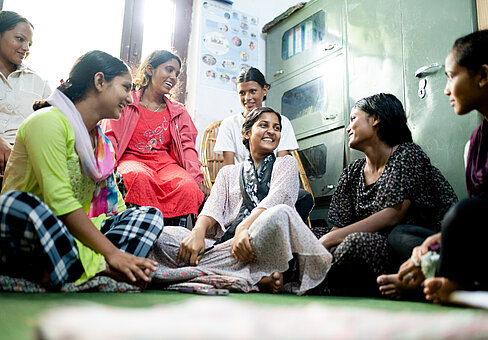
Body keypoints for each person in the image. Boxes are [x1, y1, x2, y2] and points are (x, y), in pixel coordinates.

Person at [0, 50, 163, 289]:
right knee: (15, 204)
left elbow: (115, 209)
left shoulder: (102, 144)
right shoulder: (47, 122)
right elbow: (59, 201)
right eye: (126, 87)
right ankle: (99, 268)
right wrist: (112, 254)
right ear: (99, 81)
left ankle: (67, 268)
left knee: (148, 216)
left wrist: (115, 247)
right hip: (39, 230)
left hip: (73, 238)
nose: (130, 99)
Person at [385, 30, 488, 304]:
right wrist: (438, 243)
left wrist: (449, 242)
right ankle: (439, 274)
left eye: (452, 77)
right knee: (403, 235)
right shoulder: (475, 145)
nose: (445, 89)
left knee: (465, 212)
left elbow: (487, 219)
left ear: (483, 76)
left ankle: (443, 281)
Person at [149, 107, 331, 294]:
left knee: (280, 213)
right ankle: (252, 275)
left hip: (257, 242)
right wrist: (197, 232)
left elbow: (279, 199)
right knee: (163, 235)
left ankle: (211, 271)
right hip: (226, 248)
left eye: (276, 128)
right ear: (246, 133)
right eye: (264, 125)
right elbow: (213, 208)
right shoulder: (228, 173)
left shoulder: (285, 163)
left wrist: (244, 229)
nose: (271, 131)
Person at [313, 93, 457, 296]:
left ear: (375, 119)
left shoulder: (407, 154)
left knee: (355, 243)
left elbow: (393, 215)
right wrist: (327, 241)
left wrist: (330, 240)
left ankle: (314, 281)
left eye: (354, 118)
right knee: (308, 236)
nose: (348, 127)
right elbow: (340, 225)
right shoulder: (352, 172)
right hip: (367, 239)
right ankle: (318, 279)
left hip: (406, 245)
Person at [102, 50, 208, 226]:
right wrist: (106, 169)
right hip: (132, 159)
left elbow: (187, 147)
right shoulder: (127, 103)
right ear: (150, 70)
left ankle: (171, 238)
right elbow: (110, 137)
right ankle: (137, 231)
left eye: (176, 73)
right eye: (168, 69)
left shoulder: (178, 111)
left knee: (187, 186)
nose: (173, 77)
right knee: (137, 177)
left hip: (165, 165)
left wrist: (197, 178)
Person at [214, 67, 313, 221]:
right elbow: (228, 168)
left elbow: (282, 163)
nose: (247, 98)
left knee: (304, 198)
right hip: (241, 187)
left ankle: (271, 231)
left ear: (265, 90)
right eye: (242, 93)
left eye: (253, 91)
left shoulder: (282, 122)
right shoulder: (229, 124)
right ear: (246, 133)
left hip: (272, 185)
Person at [0, 11, 51, 175]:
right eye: (20, 39)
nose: (26, 48)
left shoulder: (39, 82)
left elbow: (50, 125)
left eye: (29, 44)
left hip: (20, 167)